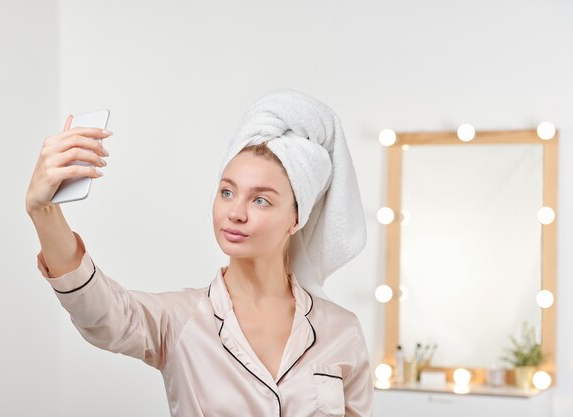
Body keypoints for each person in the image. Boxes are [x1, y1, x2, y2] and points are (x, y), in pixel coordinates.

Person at [26, 89, 373, 417]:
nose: (235, 212)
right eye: (227, 192)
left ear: (296, 218)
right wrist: (43, 211)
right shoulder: (178, 320)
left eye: (261, 199)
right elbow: (98, 311)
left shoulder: (342, 331)